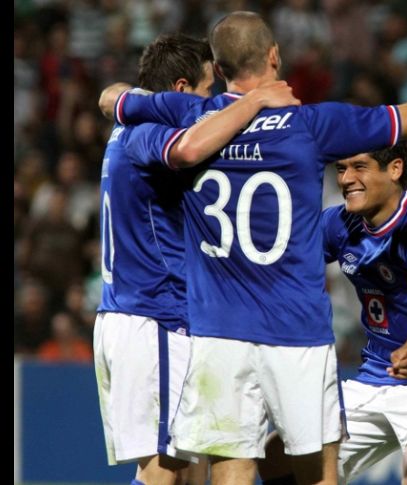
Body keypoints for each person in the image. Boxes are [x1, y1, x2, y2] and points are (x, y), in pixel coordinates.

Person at [109, 11, 407, 485]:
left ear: (220, 70)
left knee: (233, 468)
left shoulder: (190, 117)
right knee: (317, 474)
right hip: (296, 331)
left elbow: (114, 100)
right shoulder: (311, 125)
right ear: (274, 56)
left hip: (217, 332)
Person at [93, 32, 299, 485]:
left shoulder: (127, 126)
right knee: (164, 473)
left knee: (183, 472)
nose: (216, 101)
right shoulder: (149, 134)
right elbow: (186, 147)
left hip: (137, 313)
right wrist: (255, 101)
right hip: (156, 315)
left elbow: (113, 97)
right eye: (210, 90)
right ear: (183, 89)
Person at [260, 142, 407, 485]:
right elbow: (281, 265)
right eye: (341, 168)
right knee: (278, 457)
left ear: (394, 169)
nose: (346, 179)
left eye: (359, 167)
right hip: (376, 375)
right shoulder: (339, 223)